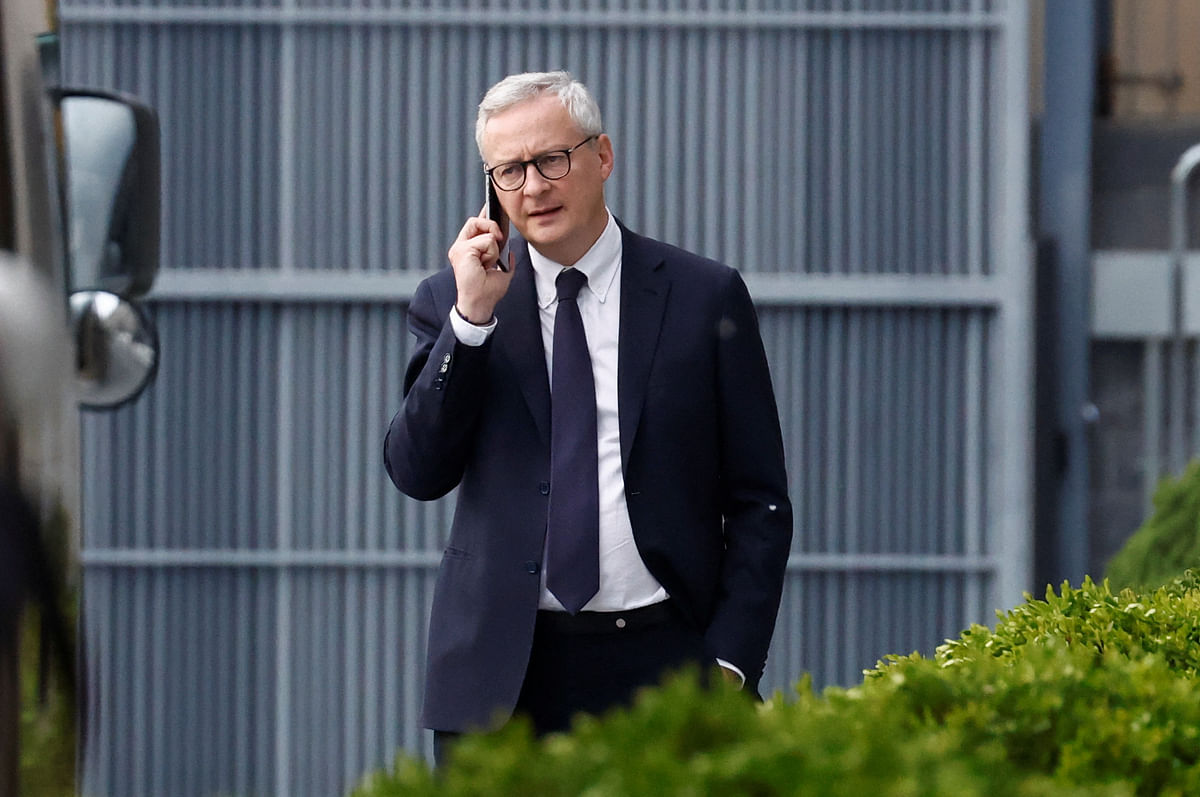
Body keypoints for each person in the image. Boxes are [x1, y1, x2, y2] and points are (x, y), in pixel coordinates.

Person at [383, 70, 792, 761]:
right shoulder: (452, 301)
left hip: (666, 661)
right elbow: (417, 469)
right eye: (508, 171)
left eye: (551, 159)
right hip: (499, 677)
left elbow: (759, 500)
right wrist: (471, 321)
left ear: (602, 156)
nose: (533, 187)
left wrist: (729, 662)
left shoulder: (703, 296)